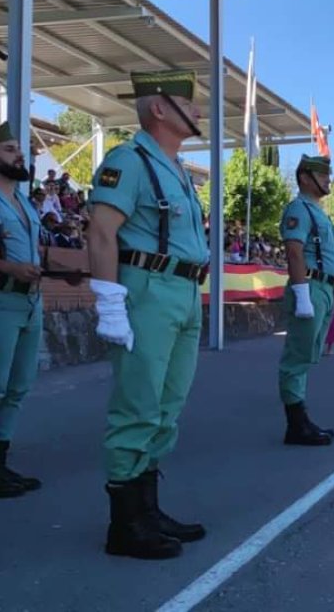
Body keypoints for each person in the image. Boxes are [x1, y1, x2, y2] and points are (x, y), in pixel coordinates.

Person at [87, 69, 209, 559]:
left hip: (181, 289)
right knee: (137, 405)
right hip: (148, 289)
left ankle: (147, 508)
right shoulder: (130, 161)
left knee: (167, 406)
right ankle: (124, 525)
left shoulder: (175, 168)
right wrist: (109, 301)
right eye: (188, 101)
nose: (198, 111)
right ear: (159, 108)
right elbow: (101, 231)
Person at [276, 155, 334, 446]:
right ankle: (296, 423)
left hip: (324, 288)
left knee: (309, 354)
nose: (328, 179)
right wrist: (302, 293)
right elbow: (294, 251)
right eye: (321, 174)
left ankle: (301, 419)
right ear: (305, 178)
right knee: (297, 356)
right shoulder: (299, 209)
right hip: (311, 286)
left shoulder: (318, 212)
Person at [0, 121, 44, 499]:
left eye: (19, 149)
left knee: (18, 386)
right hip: (3, 299)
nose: (20, 155)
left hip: (31, 301)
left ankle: (1, 462)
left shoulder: (25, 202)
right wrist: (12, 268)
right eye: (10, 149)